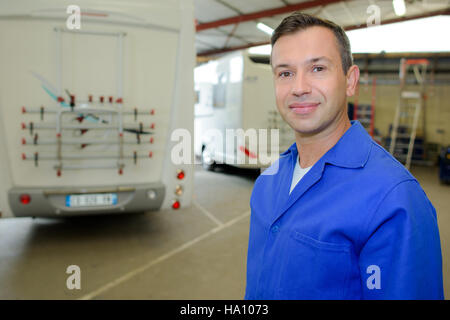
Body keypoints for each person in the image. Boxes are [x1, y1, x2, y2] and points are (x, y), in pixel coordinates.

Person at [244, 12, 444, 300]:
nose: (299, 88)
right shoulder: (267, 182)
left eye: (318, 69)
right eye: (285, 73)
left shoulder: (394, 199)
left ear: (350, 81)